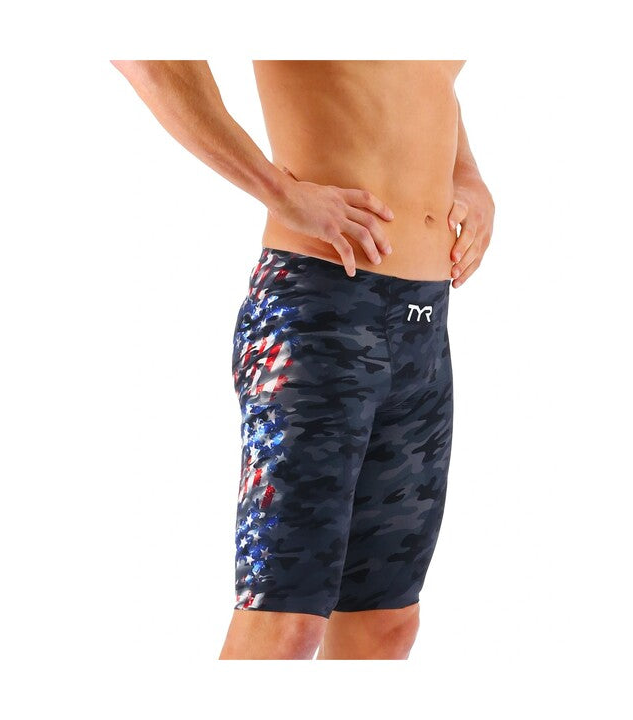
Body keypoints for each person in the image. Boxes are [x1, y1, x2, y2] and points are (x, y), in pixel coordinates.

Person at [111, 59, 495, 659]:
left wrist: (466, 174)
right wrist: (279, 191)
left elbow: (425, 75)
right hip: (318, 310)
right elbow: (148, 56)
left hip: (423, 325)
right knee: (284, 621)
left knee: (387, 620)